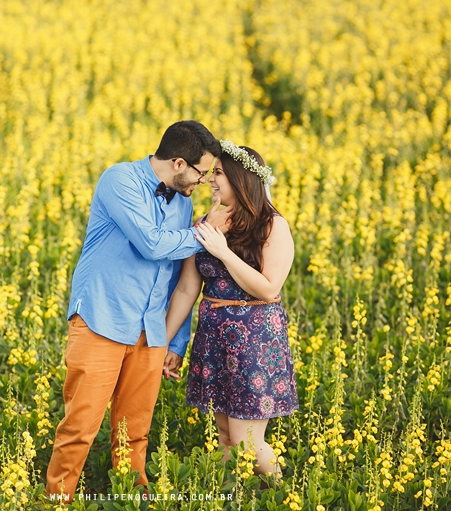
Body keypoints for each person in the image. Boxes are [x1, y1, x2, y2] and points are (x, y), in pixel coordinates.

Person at [45, 120, 224, 502]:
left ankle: (131, 500)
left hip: (152, 330)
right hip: (102, 319)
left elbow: (180, 277)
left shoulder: (184, 202)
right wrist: (206, 233)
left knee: (135, 429)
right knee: (80, 427)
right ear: (178, 163)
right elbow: (153, 245)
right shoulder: (119, 180)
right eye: (201, 172)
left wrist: (176, 340)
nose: (204, 182)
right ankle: (57, 502)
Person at [163, 140, 298, 477]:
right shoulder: (205, 222)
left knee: (247, 443)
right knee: (225, 438)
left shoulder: (271, 225)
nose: (210, 180)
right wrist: (162, 344)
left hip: (255, 344)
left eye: (219, 173)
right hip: (214, 340)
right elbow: (186, 289)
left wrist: (223, 251)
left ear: (241, 180)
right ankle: (234, 499)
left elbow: (269, 288)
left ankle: (285, 499)